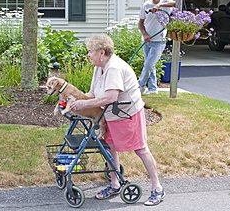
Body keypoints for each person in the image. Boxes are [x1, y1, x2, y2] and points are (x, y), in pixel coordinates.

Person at [70, 34, 165, 206]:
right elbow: (93, 94)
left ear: (102, 52)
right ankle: (114, 184)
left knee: (141, 149)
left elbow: (110, 97)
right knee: (109, 148)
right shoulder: (99, 67)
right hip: (111, 115)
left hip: (128, 114)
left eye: (91, 51)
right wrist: (75, 100)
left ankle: (157, 188)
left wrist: (84, 104)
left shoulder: (113, 68)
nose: (88, 55)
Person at [138, 0, 175, 94]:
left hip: (159, 40)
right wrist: (145, 34)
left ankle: (140, 85)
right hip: (147, 40)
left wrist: (159, 6)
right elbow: (140, 23)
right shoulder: (146, 5)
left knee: (149, 64)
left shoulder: (165, 2)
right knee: (150, 65)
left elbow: (178, 2)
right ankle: (153, 89)